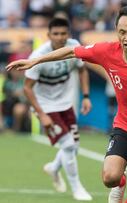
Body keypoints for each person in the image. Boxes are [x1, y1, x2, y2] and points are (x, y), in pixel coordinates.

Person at [6, 6, 127, 203]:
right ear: (116, 30)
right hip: (126, 127)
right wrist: (35, 61)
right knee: (109, 178)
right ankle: (120, 183)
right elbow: (71, 51)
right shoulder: (106, 50)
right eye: (122, 32)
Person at [21, 18, 93, 200]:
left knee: (74, 147)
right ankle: (77, 188)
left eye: (63, 33)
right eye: (56, 34)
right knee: (68, 146)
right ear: (49, 35)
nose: (60, 37)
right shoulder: (39, 55)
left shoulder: (73, 46)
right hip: (44, 105)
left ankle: (54, 167)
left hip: (65, 103)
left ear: (68, 34)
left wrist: (86, 96)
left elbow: (82, 70)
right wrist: (42, 114)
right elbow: (27, 88)